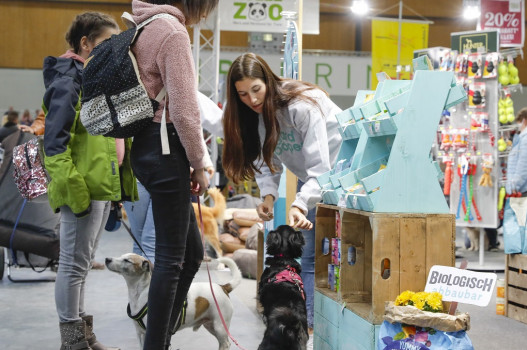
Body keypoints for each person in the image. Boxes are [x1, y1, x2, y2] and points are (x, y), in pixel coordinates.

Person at [222, 52, 343, 334]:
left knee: (342, 252)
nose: (251, 99)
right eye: (242, 94)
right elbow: (269, 162)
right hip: (310, 178)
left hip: (340, 171)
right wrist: (268, 197)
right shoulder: (254, 116)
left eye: (256, 89)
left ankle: (331, 328)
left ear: (267, 81)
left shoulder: (302, 106)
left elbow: (321, 167)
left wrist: (300, 204)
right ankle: (310, 331)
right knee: (310, 256)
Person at [42, 12, 136, 350]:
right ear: (85, 43)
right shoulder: (69, 79)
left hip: (98, 187)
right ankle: (73, 341)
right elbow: (54, 144)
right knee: (72, 265)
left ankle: (82, 334)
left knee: (81, 265)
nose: (113, 52)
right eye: (106, 44)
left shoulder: (92, 77)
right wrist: (76, 189)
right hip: (82, 189)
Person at [129, 0, 218, 348]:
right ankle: (156, 343)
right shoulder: (171, 32)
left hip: (147, 147)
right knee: (170, 260)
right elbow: (184, 111)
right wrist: (199, 162)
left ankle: (160, 334)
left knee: (192, 254)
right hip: (165, 148)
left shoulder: (142, 26)